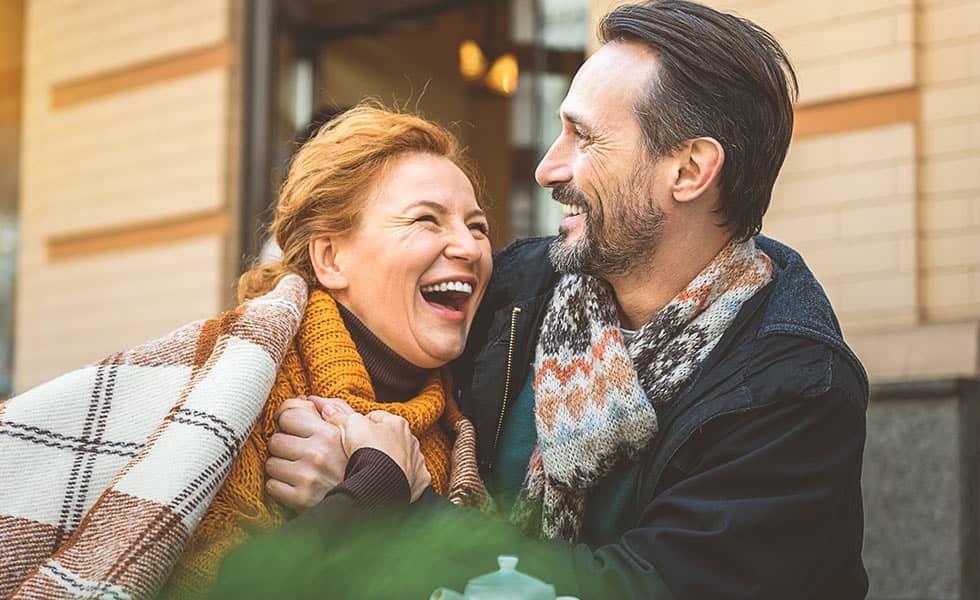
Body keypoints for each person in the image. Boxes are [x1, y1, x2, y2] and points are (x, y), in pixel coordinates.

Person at [237, 2, 869, 599]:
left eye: (583, 138)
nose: (547, 168)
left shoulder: (794, 388)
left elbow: (638, 589)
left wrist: (390, 510)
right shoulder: (516, 290)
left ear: (688, 171)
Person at [0, 104, 491, 599]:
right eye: (427, 220)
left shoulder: (470, 421)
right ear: (331, 258)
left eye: (478, 227)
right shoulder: (232, 394)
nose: (469, 248)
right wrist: (376, 488)